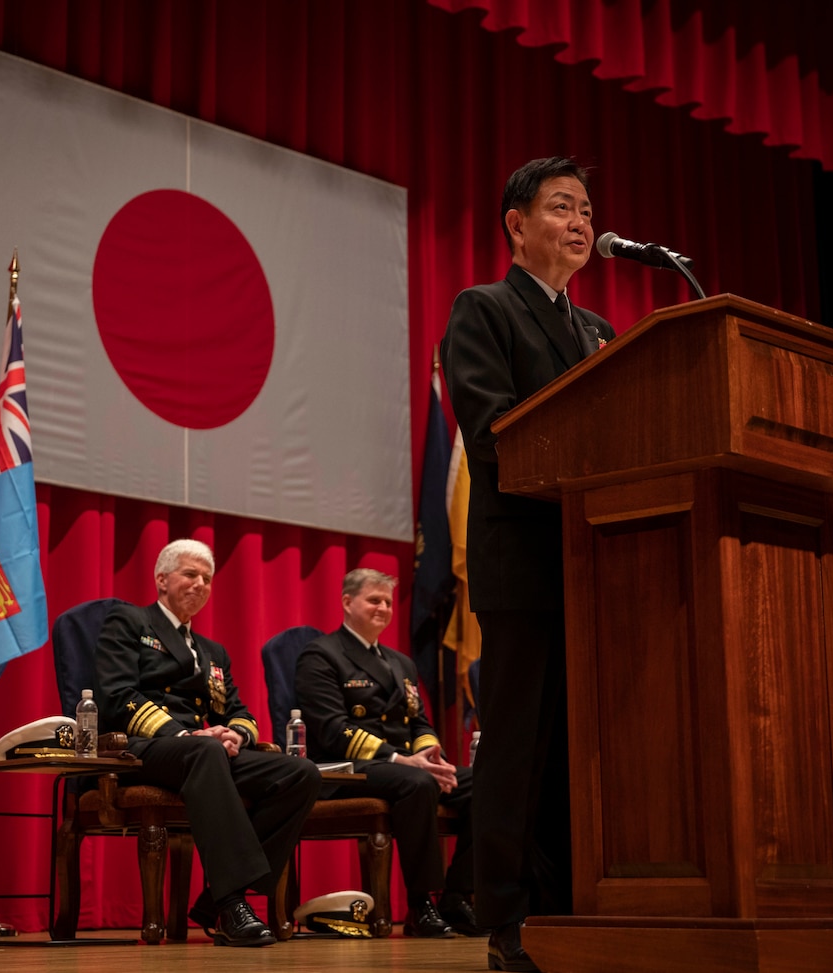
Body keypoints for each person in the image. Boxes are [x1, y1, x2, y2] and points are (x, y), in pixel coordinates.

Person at [438, 157, 614, 973]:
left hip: (600, 563)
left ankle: (580, 902)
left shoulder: (601, 335)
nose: (580, 221)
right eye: (561, 207)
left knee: (585, 746)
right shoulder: (485, 311)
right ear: (515, 223)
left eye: (585, 209)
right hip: (525, 559)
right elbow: (498, 435)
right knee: (517, 744)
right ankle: (507, 920)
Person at [95, 538, 321, 947]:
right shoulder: (128, 622)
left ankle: (214, 898)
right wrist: (185, 734)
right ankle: (232, 903)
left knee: (299, 773)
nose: (200, 584)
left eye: (207, 578)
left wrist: (236, 733)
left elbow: (239, 711)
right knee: (205, 749)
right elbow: (117, 696)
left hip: (202, 752)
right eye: (190, 574)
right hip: (140, 749)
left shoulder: (212, 651)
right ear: (161, 579)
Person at [294, 568, 476, 938]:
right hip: (342, 768)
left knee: (487, 781)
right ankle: (421, 903)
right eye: (374, 600)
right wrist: (400, 758)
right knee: (417, 782)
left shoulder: (400, 662)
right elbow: (332, 728)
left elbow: (419, 723)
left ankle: (457, 895)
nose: (383, 608)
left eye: (388, 602)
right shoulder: (321, 655)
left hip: (405, 765)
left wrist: (430, 753)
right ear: (347, 602)